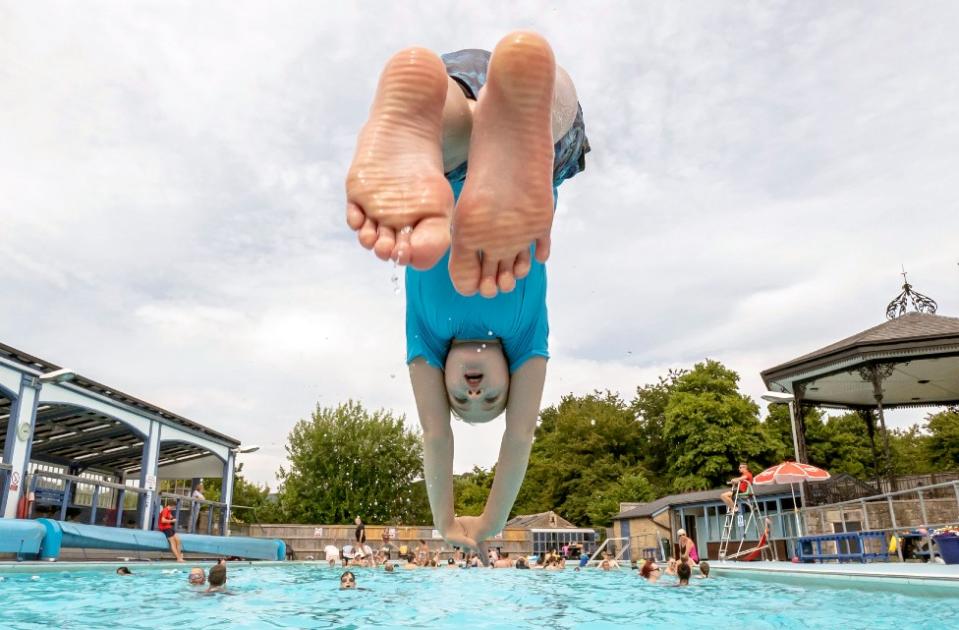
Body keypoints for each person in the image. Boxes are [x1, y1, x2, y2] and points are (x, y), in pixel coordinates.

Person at [346, 31, 588, 556]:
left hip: (450, 104)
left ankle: (431, 117)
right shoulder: (527, 338)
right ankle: (506, 130)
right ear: (510, 377)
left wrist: (446, 520)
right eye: (492, 397)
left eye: (460, 399)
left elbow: (436, 439)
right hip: (535, 114)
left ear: (443, 383)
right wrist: (490, 522)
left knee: (452, 137)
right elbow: (518, 440)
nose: (473, 391)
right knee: (555, 140)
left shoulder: (425, 339)